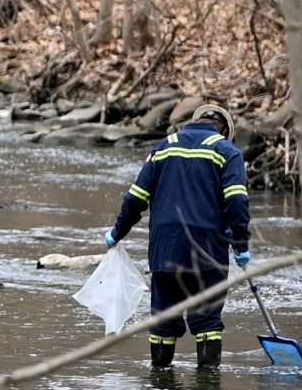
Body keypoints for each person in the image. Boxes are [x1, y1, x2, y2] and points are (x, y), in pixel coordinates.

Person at [105, 103, 250, 370]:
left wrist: (117, 232)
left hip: (164, 246)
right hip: (207, 249)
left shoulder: (163, 146)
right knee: (207, 320)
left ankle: (160, 387)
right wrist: (241, 244)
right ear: (224, 129)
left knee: (164, 317)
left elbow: (136, 197)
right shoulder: (227, 151)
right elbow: (237, 201)